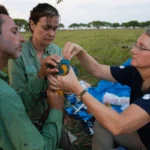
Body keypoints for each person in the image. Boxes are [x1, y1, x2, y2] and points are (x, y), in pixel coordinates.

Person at [48, 29, 150, 150]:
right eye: (135, 44)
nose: (132, 50)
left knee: (111, 122)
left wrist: (77, 89)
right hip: (142, 136)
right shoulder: (136, 72)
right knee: (103, 122)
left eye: (141, 47)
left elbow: (119, 125)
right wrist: (81, 52)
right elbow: (97, 69)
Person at [0, 4, 65, 150]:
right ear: (32, 24)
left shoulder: (57, 51)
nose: (52, 34)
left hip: (52, 115)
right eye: (46, 27)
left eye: (55, 29)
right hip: (28, 121)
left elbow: (63, 83)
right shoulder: (17, 54)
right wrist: (40, 75)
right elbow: (18, 100)